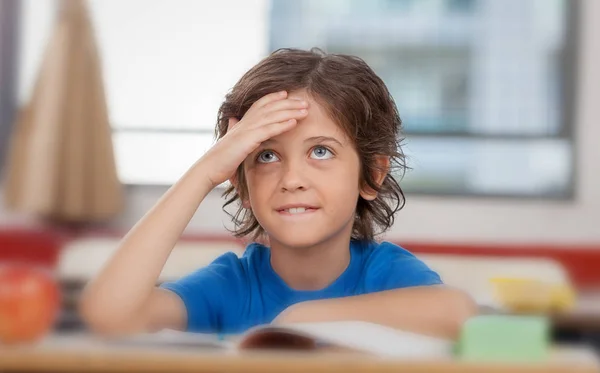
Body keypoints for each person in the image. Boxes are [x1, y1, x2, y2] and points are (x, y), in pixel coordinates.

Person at [80, 48, 476, 340]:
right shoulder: (231, 286)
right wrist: (204, 173)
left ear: (371, 175)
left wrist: (300, 319)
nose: (292, 179)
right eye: (267, 156)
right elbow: (109, 315)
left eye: (320, 151)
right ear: (242, 183)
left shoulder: (385, 274)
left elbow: (458, 313)